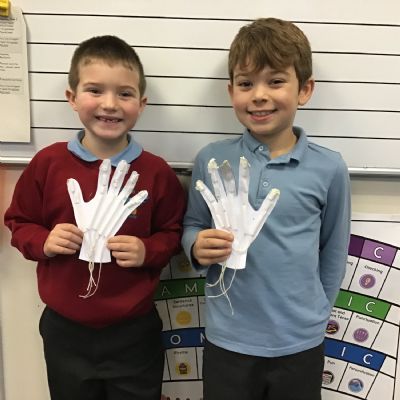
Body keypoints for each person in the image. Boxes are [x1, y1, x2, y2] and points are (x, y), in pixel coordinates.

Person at [4, 35, 186, 400]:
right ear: (72, 98)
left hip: (134, 330)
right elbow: (19, 222)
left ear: (141, 104)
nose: (110, 104)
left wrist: (147, 250)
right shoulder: (48, 164)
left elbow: (173, 233)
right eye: (95, 90)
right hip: (65, 330)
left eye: (124, 93)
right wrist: (44, 241)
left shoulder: (156, 173)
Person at [182, 18, 351, 400]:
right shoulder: (211, 159)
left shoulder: (329, 167)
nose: (259, 95)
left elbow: (333, 251)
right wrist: (196, 245)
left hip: (299, 343)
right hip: (229, 340)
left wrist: (316, 316)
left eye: (275, 81)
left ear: (304, 89)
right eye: (246, 84)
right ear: (231, 91)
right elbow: (193, 223)